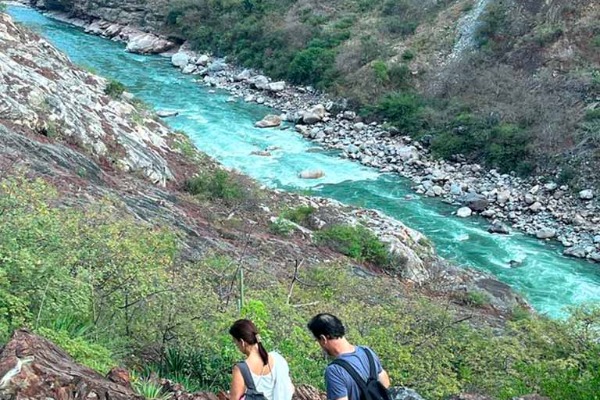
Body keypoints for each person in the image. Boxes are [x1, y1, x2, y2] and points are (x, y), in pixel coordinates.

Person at [307, 313, 391, 400]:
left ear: (323, 339)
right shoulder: (368, 352)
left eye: (317, 341)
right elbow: (386, 385)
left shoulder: (335, 371)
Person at [229, 319, 294, 400]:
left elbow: (234, 398)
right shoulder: (278, 359)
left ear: (242, 342)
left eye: (236, 343)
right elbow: (290, 388)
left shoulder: (241, 369)